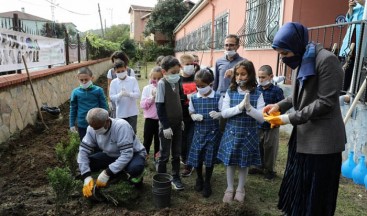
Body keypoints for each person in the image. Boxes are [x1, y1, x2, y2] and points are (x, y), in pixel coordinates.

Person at [264, 22, 346, 216]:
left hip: (322, 143)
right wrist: (279, 106)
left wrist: (287, 119)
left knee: (315, 192)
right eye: (280, 54)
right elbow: (299, 95)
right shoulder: (303, 58)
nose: (282, 58)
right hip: (303, 137)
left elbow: (325, 102)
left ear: (296, 45)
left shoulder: (327, 60)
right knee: (299, 184)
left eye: (285, 53)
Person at [217, 60, 265, 203]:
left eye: (243, 74)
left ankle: (240, 188)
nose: (239, 77)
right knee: (230, 162)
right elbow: (224, 113)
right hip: (232, 133)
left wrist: (250, 108)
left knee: (244, 163)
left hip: (249, 134)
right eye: (237, 74)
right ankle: (230, 188)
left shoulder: (258, 94)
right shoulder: (230, 91)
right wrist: (239, 107)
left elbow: (262, 118)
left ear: (250, 75)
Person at [77, 108, 147, 198]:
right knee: (88, 162)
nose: (96, 131)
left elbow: (126, 154)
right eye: (93, 128)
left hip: (133, 154)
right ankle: (118, 172)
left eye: (98, 127)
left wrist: (107, 173)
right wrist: (86, 176)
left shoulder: (121, 126)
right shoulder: (91, 129)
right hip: (111, 155)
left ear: (107, 121)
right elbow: (83, 151)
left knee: (135, 168)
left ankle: (135, 178)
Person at [187, 69, 223, 198]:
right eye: (198, 86)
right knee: (197, 157)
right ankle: (199, 178)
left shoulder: (218, 96)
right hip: (199, 132)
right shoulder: (194, 98)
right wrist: (194, 116)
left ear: (210, 84)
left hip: (213, 133)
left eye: (202, 86)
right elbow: (190, 111)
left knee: (209, 158)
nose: (200, 88)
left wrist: (219, 114)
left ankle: (207, 181)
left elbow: (223, 112)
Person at [249, 65, 284, 180]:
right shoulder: (256, 90)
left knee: (270, 147)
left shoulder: (277, 91)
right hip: (258, 124)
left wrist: (274, 115)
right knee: (258, 144)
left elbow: (282, 107)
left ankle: (269, 170)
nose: (261, 79)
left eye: (263, 77)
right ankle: (258, 165)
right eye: (259, 77)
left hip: (272, 124)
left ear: (271, 76)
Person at [155, 55, 184, 190]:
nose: (176, 75)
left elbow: (179, 102)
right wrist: (165, 126)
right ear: (164, 71)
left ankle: (176, 177)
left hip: (178, 124)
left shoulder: (177, 82)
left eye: (178, 72)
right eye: (173, 73)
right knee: (165, 153)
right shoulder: (162, 84)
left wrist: (182, 120)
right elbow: (160, 107)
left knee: (177, 153)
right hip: (167, 125)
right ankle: (161, 178)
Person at [213, 34, 245, 132]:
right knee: (220, 128)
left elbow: (247, 81)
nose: (228, 47)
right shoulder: (219, 61)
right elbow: (216, 82)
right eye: (226, 45)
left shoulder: (244, 62)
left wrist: (235, 71)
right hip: (221, 98)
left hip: (236, 97)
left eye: (231, 45)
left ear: (237, 46)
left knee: (234, 126)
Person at [69, 67, 108, 141]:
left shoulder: (98, 90)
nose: (84, 82)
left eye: (86, 80)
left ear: (92, 78)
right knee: (85, 145)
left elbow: (104, 107)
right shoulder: (75, 92)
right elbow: (73, 109)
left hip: (97, 123)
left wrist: (106, 121)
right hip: (82, 124)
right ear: (78, 79)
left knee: (99, 145)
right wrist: (72, 124)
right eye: (81, 80)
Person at [339, 0, 365, 93]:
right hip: (350, 39)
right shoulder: (356, 4)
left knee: (358, 71)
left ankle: (352, 95)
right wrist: (350, 8)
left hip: (362, 40)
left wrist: (364, 3)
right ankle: (341, 93)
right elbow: (349, 21)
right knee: (345, 70)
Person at [179, 54, 199, 177]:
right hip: (182, 115)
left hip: (194, 115)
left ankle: (189, 164)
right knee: (182, 139)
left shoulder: (197, 78)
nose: (190, 66)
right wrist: (185, 97)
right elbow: (175, 97)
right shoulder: (177, 80)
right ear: (181, 66)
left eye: (192, 64)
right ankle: (184, 157)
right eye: (187, 64)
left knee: (191, 139)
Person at [109, 60, 140, 133]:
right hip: (120, 113)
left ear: (126, 68)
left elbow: (138, 94)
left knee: (132, 132)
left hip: (132, 112)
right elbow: (112, 97)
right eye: (118, 72)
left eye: (122, 71)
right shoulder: (114, 82)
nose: (121, 73)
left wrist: (129, 94)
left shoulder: (132, 80)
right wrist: (119, 95)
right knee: (122, 132)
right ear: (114, 71)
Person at [140, 66, 163, 162]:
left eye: (159, 78)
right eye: (154, 78)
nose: (156, 80)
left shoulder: (164, 88)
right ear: (150, 77)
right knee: (147, 140)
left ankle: (157, 158)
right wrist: (151, 97)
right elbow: (143, 105)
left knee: (159, 141)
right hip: (149, 119)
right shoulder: (146, 88)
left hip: (160, 120)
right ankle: (144, 157)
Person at [107, 51, 136, 117]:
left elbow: (133, 86)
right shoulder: (111, 72)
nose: (116, 63)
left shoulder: (130, 71)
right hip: (115, 98)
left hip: (127, 100)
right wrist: (109, 101)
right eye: (114, 61)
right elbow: (109, 86)